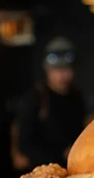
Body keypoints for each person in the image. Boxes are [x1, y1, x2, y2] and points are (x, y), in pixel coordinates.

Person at [14, 37, 86, 169]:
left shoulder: (76, 97)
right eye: (56, 70)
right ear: (46, 69)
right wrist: (61, 154)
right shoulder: (35, 98)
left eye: (66, 69)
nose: (62, 75)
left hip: (73, 168)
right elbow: (25, 144)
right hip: (42, 170)